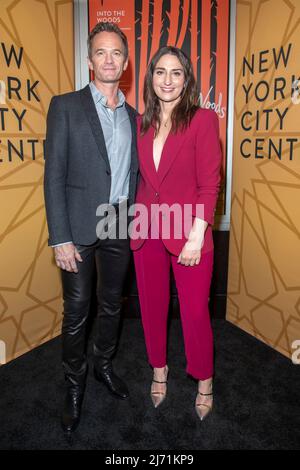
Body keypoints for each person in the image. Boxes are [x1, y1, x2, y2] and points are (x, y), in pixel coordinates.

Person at [44, 23, 138, 433]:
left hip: (118, 220)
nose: (109, 60)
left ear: (125, 62)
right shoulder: (64, 106)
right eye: (101, 52)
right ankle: (74, 384)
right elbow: (53, 176)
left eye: (116, 53)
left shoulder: (135, 116)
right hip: (78, 224)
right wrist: (60, 237)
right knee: (78, 311)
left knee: (113, 303)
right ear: (89, 61)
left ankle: (103, 365)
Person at [130, 46, 222, 421]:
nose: (167, 80)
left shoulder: (203, 120)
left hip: (190, 235)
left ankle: (204, 381)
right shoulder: (140, 123)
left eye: (176, 73)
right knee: (152, 309)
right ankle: (159, 370)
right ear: (150, 78)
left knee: (195, 313)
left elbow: (210, 185)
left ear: (187, 79)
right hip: (147, 231)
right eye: (160, 72)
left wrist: (197, 237)